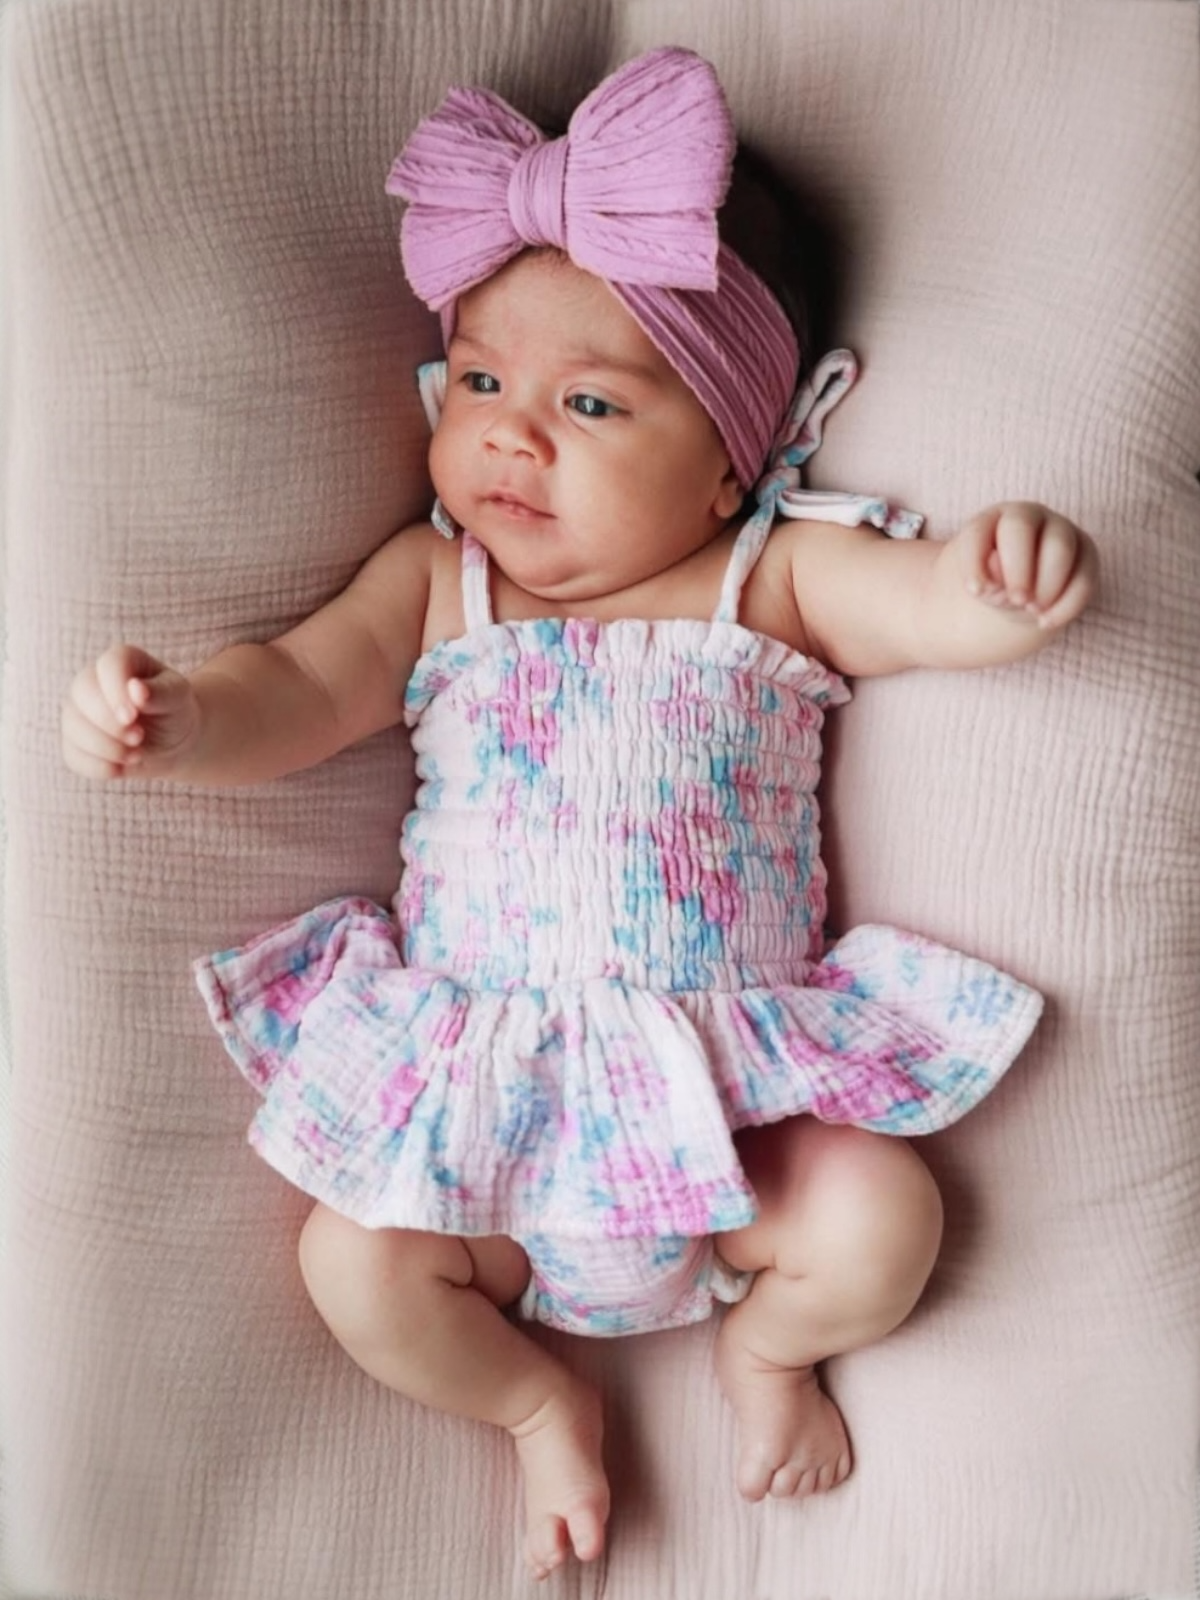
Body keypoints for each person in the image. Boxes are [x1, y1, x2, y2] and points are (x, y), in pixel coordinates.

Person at [61, 46, 1097, 1583]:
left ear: (733, 461)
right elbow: (306, 684)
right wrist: (192, 717)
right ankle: (540, 1402)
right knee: (353, 1261)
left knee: (885, 1222)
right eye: (478, 379)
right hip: (490, 1116)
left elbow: (926, 606)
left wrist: (994, 579)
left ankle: (774, 1351)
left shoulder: (774, 579)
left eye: (590, 401)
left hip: (737, 1117)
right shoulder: (438, 585)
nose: (508, 434)